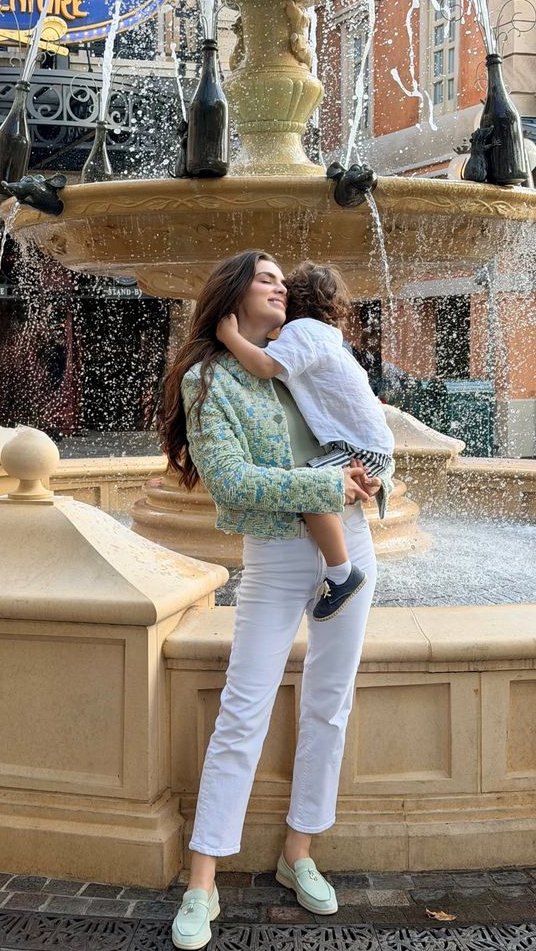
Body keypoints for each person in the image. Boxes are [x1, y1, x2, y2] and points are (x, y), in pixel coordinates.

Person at [156, 250, 394, 951]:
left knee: (330, 700)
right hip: (275, 556)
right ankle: (203, 882)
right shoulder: (210, 378)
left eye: (283, 280)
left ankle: (299, 852)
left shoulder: (304, 353)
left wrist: (365, 480)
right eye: (266, 279)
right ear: (232, 294)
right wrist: (329, 487)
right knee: (243, 708)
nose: (280, 287)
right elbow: (233, 482)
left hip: (349, 542)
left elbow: (354, 426)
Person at [216, 261, 394, 622]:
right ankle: (341, 570)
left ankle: (342, 574)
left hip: (357, 448)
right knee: (318, 483)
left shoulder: (302, 331)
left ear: (295, 301)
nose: (276, 292)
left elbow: (264, 366)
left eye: (281, 286)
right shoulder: (327, 335)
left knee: (315, 485)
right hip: (370, 446)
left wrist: (229, 338)